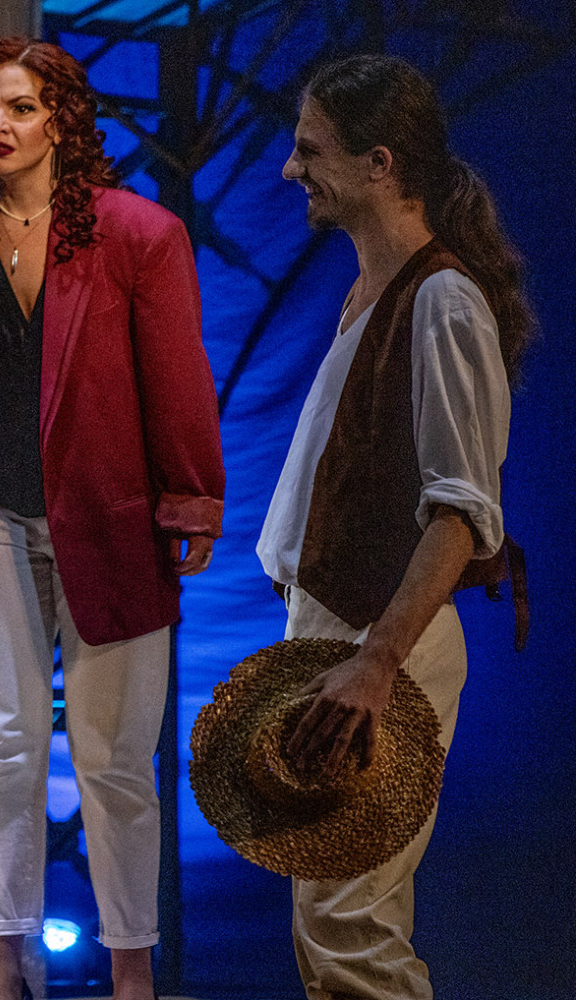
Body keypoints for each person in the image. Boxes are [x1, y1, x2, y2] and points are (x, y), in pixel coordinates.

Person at [0, 38, 225, 1000]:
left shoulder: (138, 234)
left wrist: (191, 496)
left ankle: (132, 975)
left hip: (109, 519)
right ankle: (1, 972)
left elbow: (175, 374)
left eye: (20, 107)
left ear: (61, 121)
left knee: (114, 761)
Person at [257, 54, 531, 999]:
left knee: (349, 926)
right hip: (334, 629)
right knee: (330, 923)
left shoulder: (441, 299)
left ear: (378, 163)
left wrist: (375, 662)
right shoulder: (369, 292)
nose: (291, 169)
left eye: (310, 151)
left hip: (381, 640)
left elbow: (461, 514)